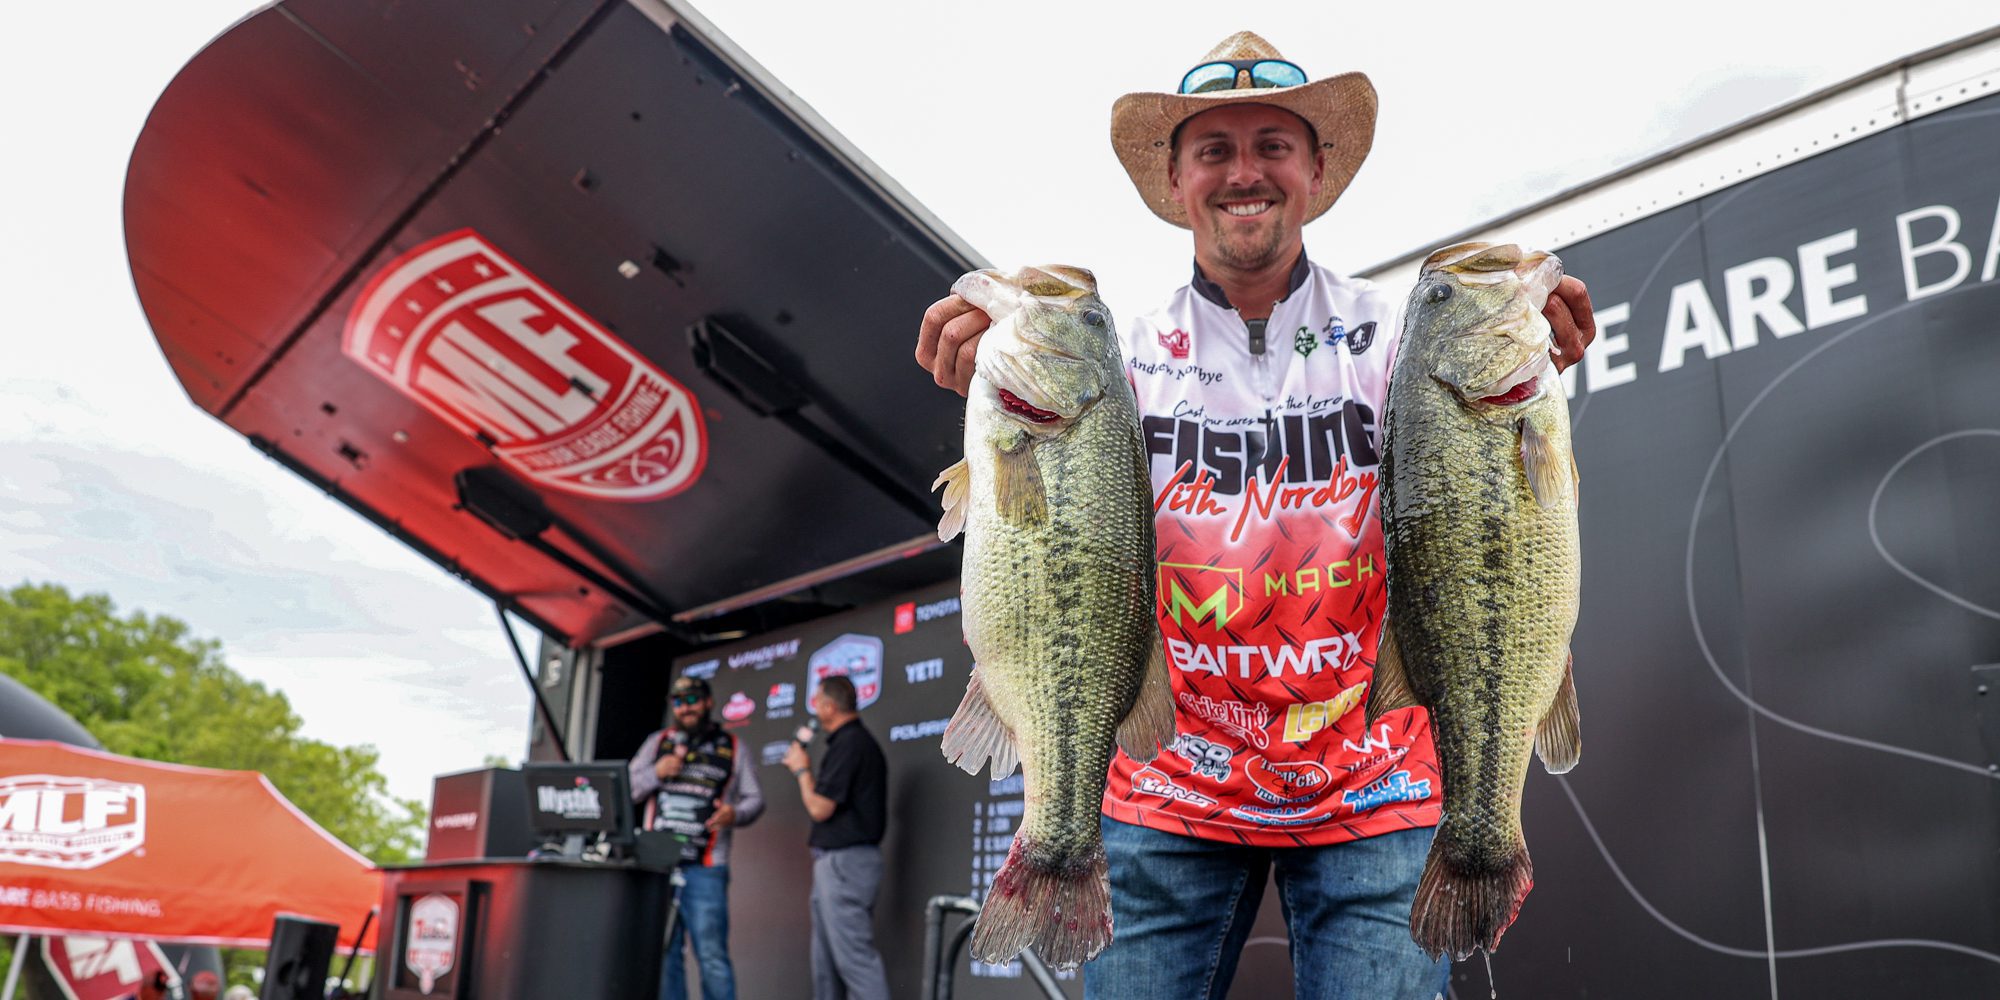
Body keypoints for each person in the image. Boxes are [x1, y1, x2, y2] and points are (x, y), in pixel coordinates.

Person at [914, 31, 1598, 1000]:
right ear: (1175, 177)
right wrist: (983, 373)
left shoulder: (1400, 339)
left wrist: (1539, 352)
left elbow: (1488, 497)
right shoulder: (1117, 357)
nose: (1244, 172)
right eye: (1215, 149)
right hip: (1163, 782)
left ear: (1315, 168)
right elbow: (1044, 511)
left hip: (1376, 778)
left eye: (1272, 144)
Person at [628, 675, 766, 1000]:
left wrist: (736, 814)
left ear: (708, 702)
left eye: (692, 700)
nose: (685, 708)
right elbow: (626, 790)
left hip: (706, 867)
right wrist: (656, 773)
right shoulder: (657, 743)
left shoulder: (733, 747)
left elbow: (755, 799)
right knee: (664, 953)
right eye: (678, 702)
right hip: (658, 866)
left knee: (712, 955)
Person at [780, 674, 890, 1000]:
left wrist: (802, 770)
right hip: (835, 863)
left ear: (829, 707)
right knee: (825, 966)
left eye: (816, 702)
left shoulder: (851, 743)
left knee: (855, 963)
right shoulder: (849, 742)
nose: (813, 708)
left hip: (846, 864)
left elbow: (820, 808)